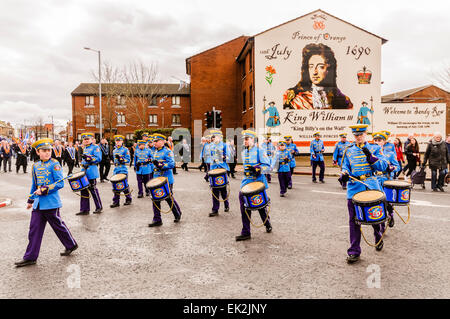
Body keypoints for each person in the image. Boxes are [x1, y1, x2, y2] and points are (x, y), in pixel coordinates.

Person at [15, 138, 78, 268]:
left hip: (51, 203)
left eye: (49, 150)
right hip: (38, 204)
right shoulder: (35, 165)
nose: (47, 153)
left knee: (58, 226)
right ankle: (30, 257)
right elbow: (35, 184)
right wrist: (30, 200)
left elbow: (60, 183)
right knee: (34, 230)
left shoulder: (54, 164)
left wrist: (44, 190)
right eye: (44, 151)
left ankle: (71, 244)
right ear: (38, 152)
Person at [340, 124, 388, 264]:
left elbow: (383, 166)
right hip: (354, 188)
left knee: (374, 218)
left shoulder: (375, 148)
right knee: (354, 221)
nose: (358, 137)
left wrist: (371, 158)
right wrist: (344, 174)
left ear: (365, 134)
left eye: (361, 134)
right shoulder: (348, 150)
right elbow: (345, 166)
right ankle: (354, 251)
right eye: (356, 135)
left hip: (371, 186)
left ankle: (378, 236)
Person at [283, 43, 353, 110]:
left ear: (329, 69)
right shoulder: (294, 97)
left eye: (321, 67)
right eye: (311, 67)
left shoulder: (342, 100)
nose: (314, 72)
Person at [236, 130, 272, 241]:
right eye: (244, 140)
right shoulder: (244, 152)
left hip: (257, 182)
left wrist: (257, 168)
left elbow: (268, 166)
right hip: (246, 182)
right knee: (245, 205)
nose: (245, 141)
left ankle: (267, 223)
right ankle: (246, 232)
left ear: (253, 139)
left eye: (247, 139)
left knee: (260, 206)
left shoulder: (260, 151)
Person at [148, 134, 182, 227]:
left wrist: (161, 166)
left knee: (168, 198)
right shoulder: (154, 151)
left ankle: (177, 214)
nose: (154, 143)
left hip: (166, 179)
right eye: (154, 141)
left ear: (162, 142)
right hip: (156, 178)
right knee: (155, 199)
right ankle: (157, 219)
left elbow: (172, 164)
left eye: (156, 141)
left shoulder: (167, 151)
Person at [373, 132, 401, 229]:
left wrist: (391, 169)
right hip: (375, 180)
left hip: (386, 179)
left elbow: (398, 167)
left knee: (388, 201)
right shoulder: (371, 154)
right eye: (375, 140)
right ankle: (381, 224)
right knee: (378, 202)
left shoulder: (390, 154)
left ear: (384, 142)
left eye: (379, 140)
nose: (377, 142)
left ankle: (391, 214)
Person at [77, 133, 103, 215]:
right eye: (84, 139)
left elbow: (98, 158)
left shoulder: (95, 147)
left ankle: (99, 207)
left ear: (91, 139)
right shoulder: (85, 148)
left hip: (91, 170)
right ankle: (84, 209)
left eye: (88, 139)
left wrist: (89, 158)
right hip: (84, 171)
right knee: (83, 190)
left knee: (93, 190)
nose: (86, 140)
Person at [208, 130, 230, 217]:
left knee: (223, 189)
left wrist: (222, 157)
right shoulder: (211, 145)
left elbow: (229, 156)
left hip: (222, 168)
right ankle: (215, 209)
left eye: (217, 136)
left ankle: (226, 204)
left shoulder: (224, 145)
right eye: (214, 137)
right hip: (213, 169)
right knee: (214, 189)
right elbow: (209, 156)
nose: (215, 138)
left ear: (220, 137)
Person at [110, 135, 133, 207]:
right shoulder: (114, 150)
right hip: (116, 169)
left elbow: (128, 160)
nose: (118, 142)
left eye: (119, 141)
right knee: (115, 186)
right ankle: (116, 201)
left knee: (124, 185)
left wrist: (122, 160)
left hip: (123, 169)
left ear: (122, 141)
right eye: (116, 141)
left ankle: (128, 199)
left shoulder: (125, 150)